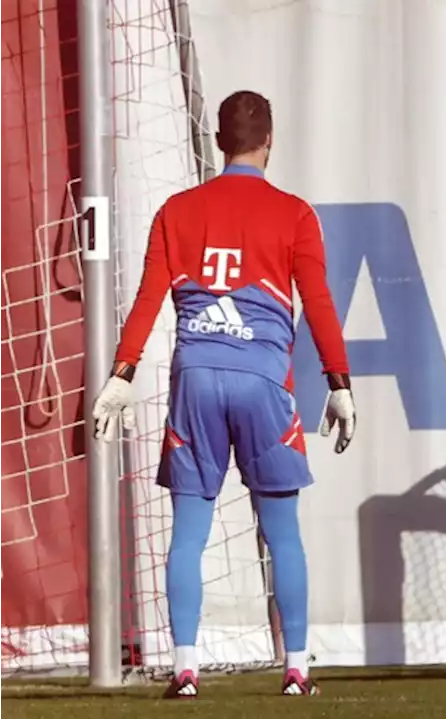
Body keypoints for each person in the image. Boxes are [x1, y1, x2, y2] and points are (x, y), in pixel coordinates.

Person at [89, 90, 356, 698]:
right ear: (270, 140)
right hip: (263, 382)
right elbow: (317, 303)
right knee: (282, 531)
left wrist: (122, 373)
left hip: (196, 380)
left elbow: (149, 298)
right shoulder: (294, 213)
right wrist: (338, 383)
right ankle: (297, 671)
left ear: (217, 142)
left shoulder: (177, 210)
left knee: (189, 530)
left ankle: (185, 669)